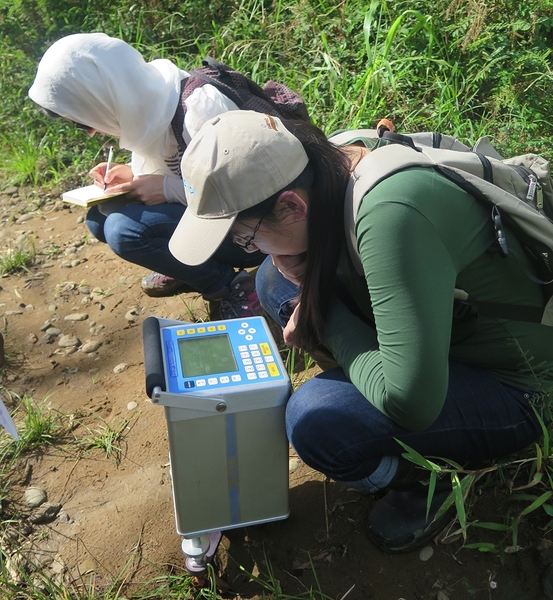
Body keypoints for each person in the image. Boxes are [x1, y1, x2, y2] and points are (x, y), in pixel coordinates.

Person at [167, 110, 553, 552]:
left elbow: (410, 403)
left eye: (246, 239)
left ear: (292, 205)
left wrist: (324, 314)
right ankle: (374, 380)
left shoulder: (392, 214)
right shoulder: (327, 160)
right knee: (272, 282)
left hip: (521, 379)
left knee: (316, 418)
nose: (249, 250)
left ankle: (435, 477)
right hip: (451, 328)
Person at [28, 32, 272, 317]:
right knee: (99, 217)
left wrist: (168, 189)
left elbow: (247, 195)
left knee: (125, 230)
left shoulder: (198, 108)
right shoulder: (145, 105)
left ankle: (231, 285)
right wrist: (132, 174)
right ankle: (186, 266)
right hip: (210, 218)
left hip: (256, 232)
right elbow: (178, 166)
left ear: (104, 95)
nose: (92, 131)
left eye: (85, 121)